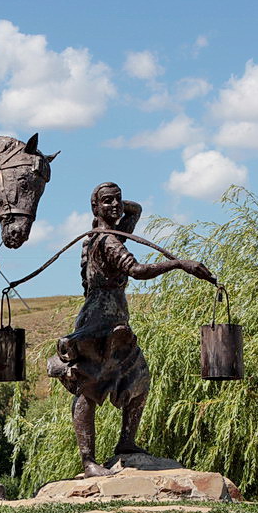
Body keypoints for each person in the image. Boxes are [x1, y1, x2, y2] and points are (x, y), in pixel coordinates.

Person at [47, 182, 217, 477]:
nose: (115, 205)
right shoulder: (107, 241)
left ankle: (126, 443)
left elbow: (135, 210)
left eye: (118, 200)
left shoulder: (111, 233)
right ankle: (88, 461)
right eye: (107, 202)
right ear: (95, 208)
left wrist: (114, 210)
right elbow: (136, 271)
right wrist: (178, 264)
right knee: (88, 389)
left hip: (116, 324)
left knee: (139, 378)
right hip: (98, 322)